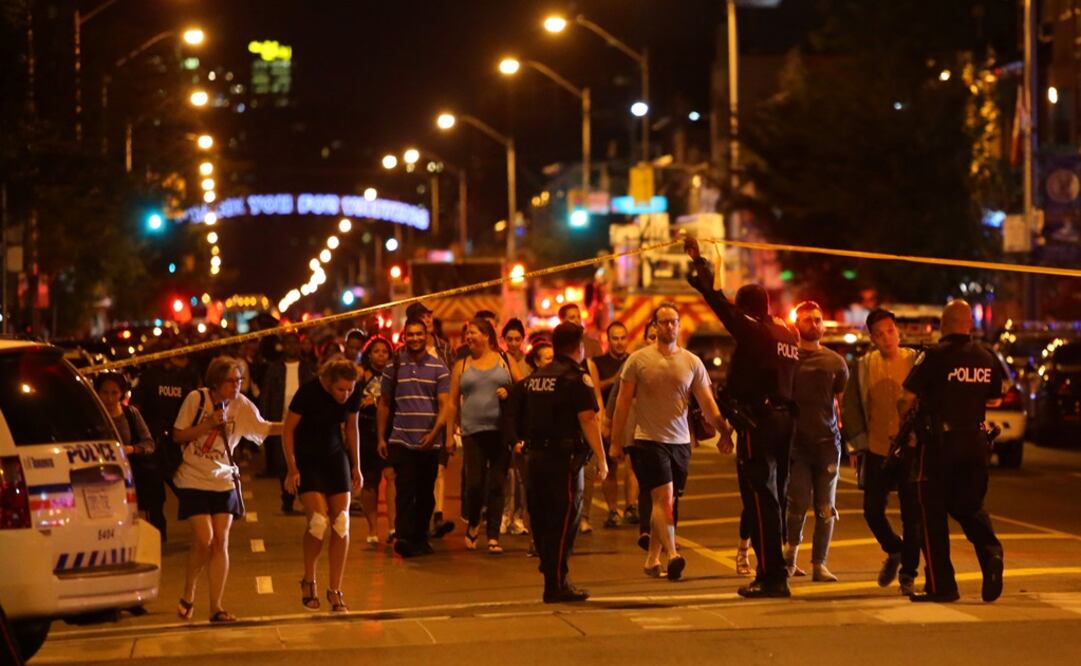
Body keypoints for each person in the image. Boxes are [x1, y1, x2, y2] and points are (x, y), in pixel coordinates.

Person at [684, 235, 798, 598]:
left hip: (760, 423)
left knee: (760, 498)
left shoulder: (755, 330)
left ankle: (771, 576)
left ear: (747, 310)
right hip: (784, 423)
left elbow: (723, 308)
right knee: (774, 496)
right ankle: (774, 569)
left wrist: (703, 275)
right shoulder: (787, 335)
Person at [611, 302, 729, 582]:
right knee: (663, 498)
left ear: (679, 325)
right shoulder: (638, 360)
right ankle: (674, 554)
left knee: (665, 502)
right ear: (654, 325)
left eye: (673, 321)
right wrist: (615, 442)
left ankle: (652, 559)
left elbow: (708, 404)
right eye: (663, 322)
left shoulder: (691, 362)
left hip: (681, 442)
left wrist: (724, 431)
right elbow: (622, 402)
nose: (669, 326)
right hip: (648, 440)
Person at [901, 300, 1006, 603]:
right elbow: (996, 399)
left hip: (938, 445)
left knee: (931, 514)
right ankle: (991, 554)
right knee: (969, 506)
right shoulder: (987, 357)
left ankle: (942, 585)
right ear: (969, 325)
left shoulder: (933, 356)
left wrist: (903, 426)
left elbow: (906, 396)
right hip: (975, 442)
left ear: (943, 325)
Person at [173, 357, 282, 623]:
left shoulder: (241, 405)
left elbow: (262, 428)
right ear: (215, 382)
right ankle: (189, 591)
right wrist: (208, 425)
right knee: (204, 538)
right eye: (231, 381)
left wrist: (293, 425)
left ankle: (216, 607)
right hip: (193, 478)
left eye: (240, 380)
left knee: (221, 540)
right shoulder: (196, 399)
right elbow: (178, 435)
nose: (237, 386)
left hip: (223, 480)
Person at [507, 322, 609, 602]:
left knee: (540, 518)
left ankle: (550, 574)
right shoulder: (575, 377)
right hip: (563, 461)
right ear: (578, 346)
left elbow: (514, 408)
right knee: (565, 521)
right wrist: (601, 458)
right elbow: (588, 419)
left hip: (535, 457)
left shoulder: (537, 377)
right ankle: (557, 582)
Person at [843, 308, 922, 594]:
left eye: (890, 330)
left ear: (898, 331)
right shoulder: (864, 366)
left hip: (911, 449)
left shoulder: (916, 361)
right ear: (872, 338)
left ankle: (909, 573)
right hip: (877, 450)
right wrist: (858, 444)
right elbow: (850, 406)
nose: (886, 337)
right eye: (879, 333)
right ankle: (895, 549)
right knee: (872, 511)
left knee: (912, 514)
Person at [283, 358, 362, 613]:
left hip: (335, 456)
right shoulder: (308, 392)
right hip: (309, 459)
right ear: (328, 382)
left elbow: (351, 428)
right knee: (318, 522)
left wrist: (356, 465)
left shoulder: (353, 392)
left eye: (350, 389)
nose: (346, 394)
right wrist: (292, 468)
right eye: (341, 389)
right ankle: (309, 580)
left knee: (342, 523)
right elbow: (288, 430)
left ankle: (335, 589)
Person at [784, 301, 849, 583]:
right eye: (808, 319)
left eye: (818, 319)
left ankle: (819, 563)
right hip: (796, 444)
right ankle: (790, 558)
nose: (814, 323)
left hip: (827, 445)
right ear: (796, 324)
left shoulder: (835, 362)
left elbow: (841, 403)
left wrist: (851, 442)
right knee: (797, 503)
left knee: (825, 507)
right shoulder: (787, 358)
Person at [377, 317, 452, 558]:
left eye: (420, 334)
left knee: (425, 493)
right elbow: (385, 404)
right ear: (404, 336)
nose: (415, 338)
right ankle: (404, 537)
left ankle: (420, 537)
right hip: (401, 439)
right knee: (405, 488)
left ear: (427, 335)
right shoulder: (393, 367)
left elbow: (445, 405)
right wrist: (381, 437)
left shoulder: (439, 368)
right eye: (411, 334)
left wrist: (435, 433)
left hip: (429, 441)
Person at [446, 318, 520, 553]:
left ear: (487, 335)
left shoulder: (504, 360)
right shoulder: (463, 363)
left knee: (497, 483)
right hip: (472, 432)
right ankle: (475, 521)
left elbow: (522, 387)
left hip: (500, 431)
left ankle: (493, 536)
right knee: (475, 483)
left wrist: (508, 391)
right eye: (467, 334)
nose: (468, 337)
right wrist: (449, 434)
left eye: (473, 333)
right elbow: (450, 403)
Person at [130, 348, 201, 541]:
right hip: (164, 443)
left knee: (173, 493)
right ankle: (196, 532)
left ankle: (162, 536)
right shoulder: (157, 377)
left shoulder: (151, 377)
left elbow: (135, 409)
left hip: (169, 442)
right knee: (175, 492)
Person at [606, 320, 659, 551]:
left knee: (667, 487)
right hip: (637, 425)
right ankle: (646, 530)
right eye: (651, 336)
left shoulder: (681, 359)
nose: (656, 340)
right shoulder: (635, 361)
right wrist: (611, 429)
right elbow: (618, 396)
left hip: (668, 432)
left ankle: (662, 532)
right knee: (642, 476)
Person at [586, 322, 637, 529]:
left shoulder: (635, 359)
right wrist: (615, 380)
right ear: (609, 340)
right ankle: (613, 510)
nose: (619, 342)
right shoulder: (597, 362)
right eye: (615, 338)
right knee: (610, 466)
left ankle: (631, 507)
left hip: (632, 419)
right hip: (609, 418)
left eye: (623, 338)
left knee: (633, 465)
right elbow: (596, 388)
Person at [259, 333, 316, 513]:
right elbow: (266, 394)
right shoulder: (274, 368)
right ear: (283, 346)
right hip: (280, 422)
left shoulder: (307, 368)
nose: (292, 347)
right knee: (283, 463)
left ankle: (303, 496)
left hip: (304, 423)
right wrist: (263, 420)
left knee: (302, 461)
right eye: (288, 343)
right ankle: (287, 500)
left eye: (295, 344)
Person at [95, 372, 157, 526]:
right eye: (105, 393)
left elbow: (149, 443)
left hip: (130, 477)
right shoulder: (92, 415)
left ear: (122, 392)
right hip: (99, 479)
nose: (109, 398)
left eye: (114, 393)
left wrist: (131, 449)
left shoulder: (131, 414)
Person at [357, 336, 396, 545]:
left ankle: (393, 527)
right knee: (370, 482)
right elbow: (352, 402)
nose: (380, 355)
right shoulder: (361, 376)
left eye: (384, 351)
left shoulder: (394, 375)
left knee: (391, 476)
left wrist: (377, 400)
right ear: (369, 354)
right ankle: (372, 529)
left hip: (390, 431)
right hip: (365, 431)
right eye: (376, 351)